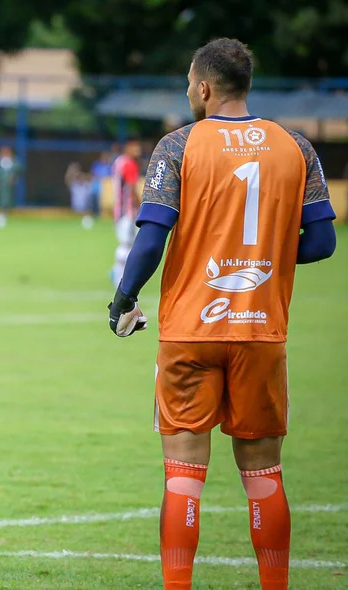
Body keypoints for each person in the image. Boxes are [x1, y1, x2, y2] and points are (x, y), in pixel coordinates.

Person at [107, 38, 337, 590]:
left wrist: (124, 298)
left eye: (190, 82)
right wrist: (265, 256)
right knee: (264, 477)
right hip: (260, 331)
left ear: (204, 87)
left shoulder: (178, 146)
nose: (189, 90)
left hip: (191, 329)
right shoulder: (296, 147)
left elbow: (151, 239)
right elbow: (323, 240)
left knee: (184, 478)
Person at [110, 139, 143, 287]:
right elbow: (131, 187)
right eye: (135, 148)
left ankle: (116, 272)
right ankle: (119, 277)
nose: (138, 151)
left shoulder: (119, 161)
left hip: (119, 208)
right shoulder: (129, 164)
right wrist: (141, 205)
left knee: (126, 242)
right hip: (127, 210)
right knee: (126, 244)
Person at [0, 146, 20, 228]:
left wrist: (14, 177)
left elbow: (19, 170)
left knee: (8, 199)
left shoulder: (14, 161)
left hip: (8, 185)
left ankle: (7, 213)